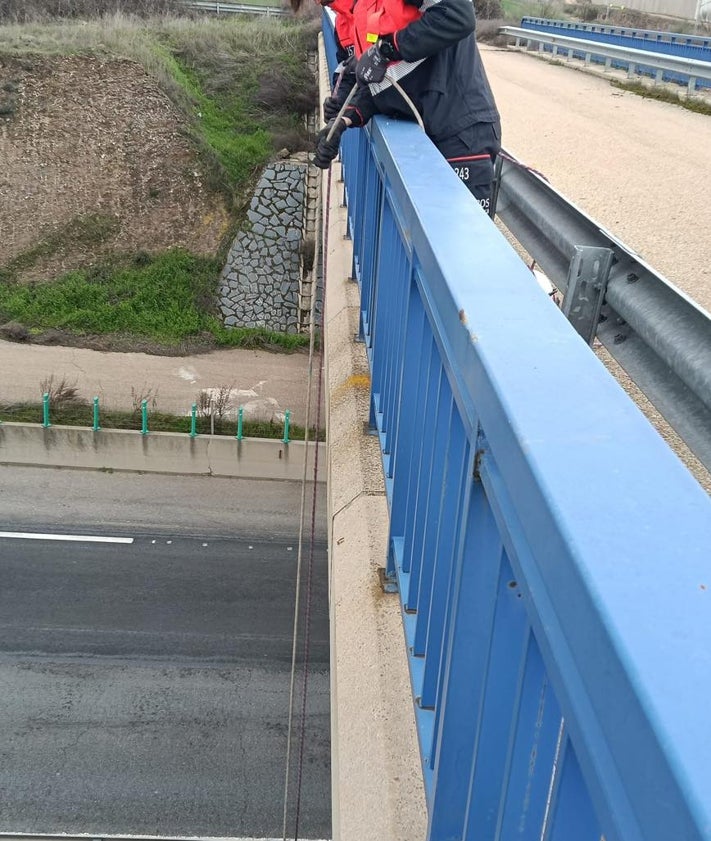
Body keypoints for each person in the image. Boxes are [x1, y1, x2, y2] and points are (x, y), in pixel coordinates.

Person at [313, 0, 501, 213]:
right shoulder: (361, 11)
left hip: (461, 136)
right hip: (422, 143)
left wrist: (387, 48)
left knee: (461, 240)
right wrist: (342, 122)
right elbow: (381, 85)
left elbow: (458, 15)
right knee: (421, 238)